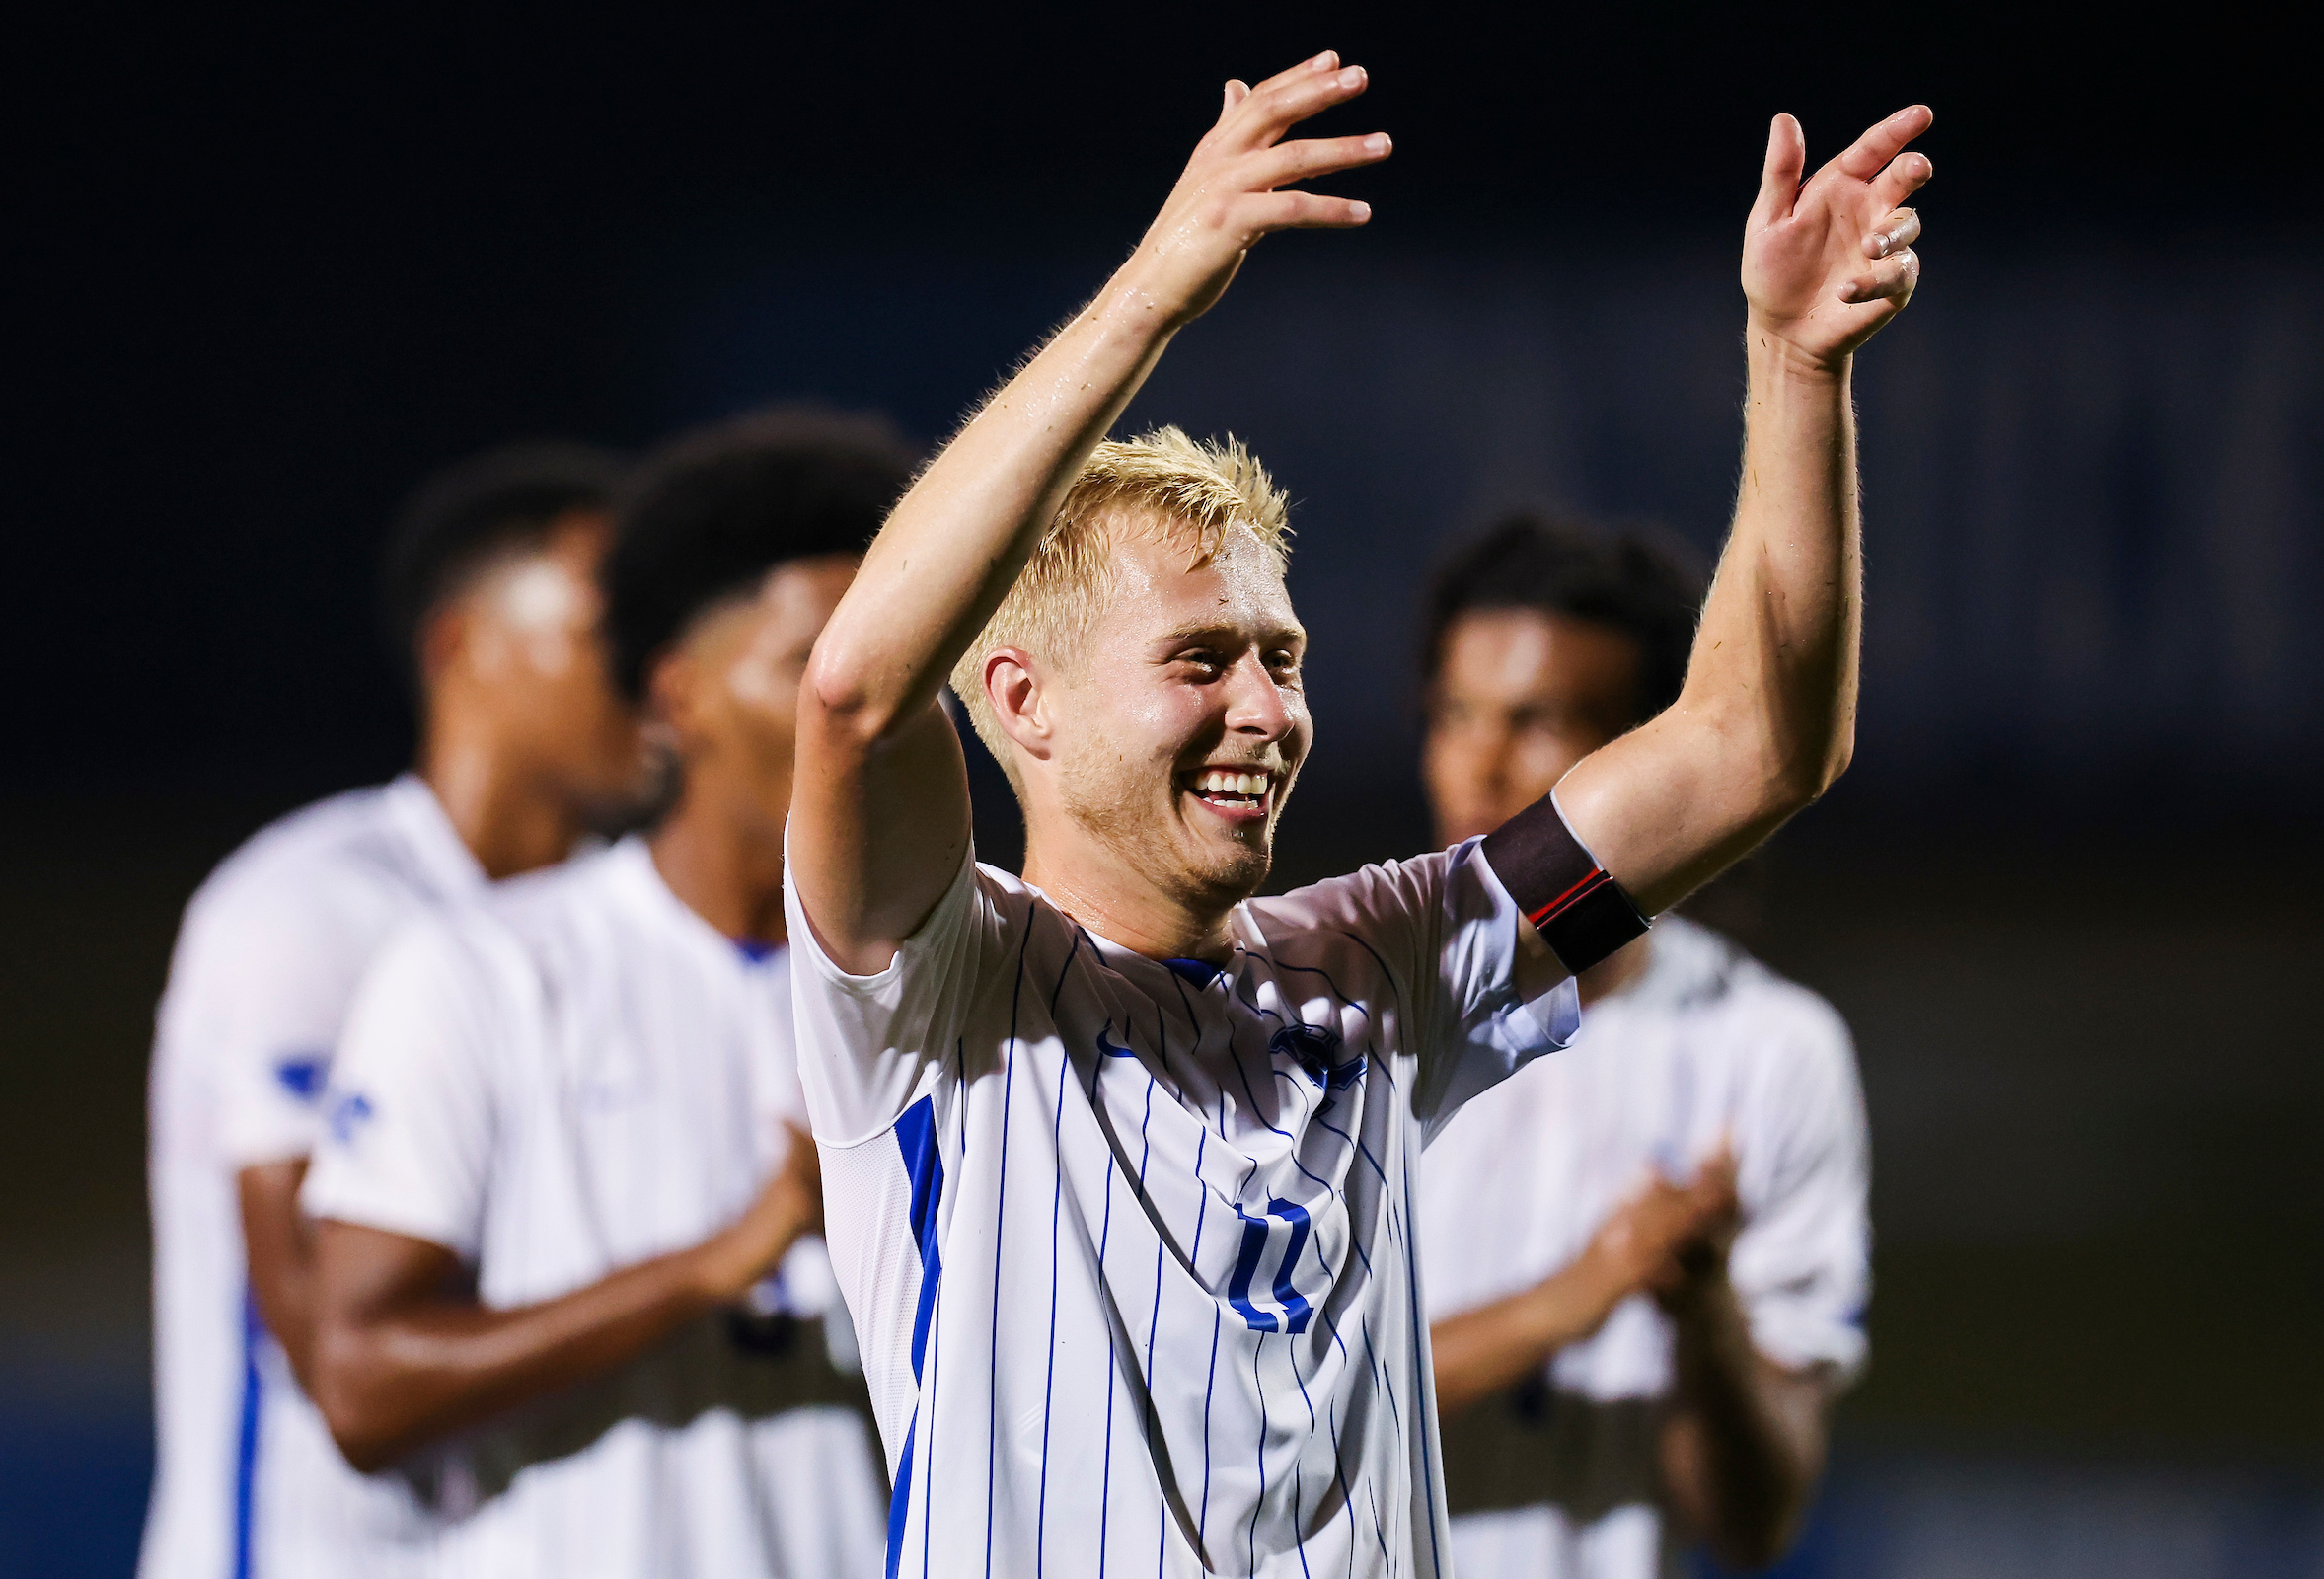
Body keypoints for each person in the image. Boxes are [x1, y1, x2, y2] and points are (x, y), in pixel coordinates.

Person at [784, 48, 1927, 1579]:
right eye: (1201, 662)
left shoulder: (1382, 966)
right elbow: (856, 692)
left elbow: (1755, 750)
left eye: (1285, 660)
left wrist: (1795, 368)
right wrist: (1153, 297)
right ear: (1023, 701)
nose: (1267, 713)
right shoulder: (932, 991)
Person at [299, 408, 909, 1578]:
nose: (861, 714)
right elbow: (363, 1384)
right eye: (808, 668)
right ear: (676, 697)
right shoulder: (487, 972)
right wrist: (717, 1261)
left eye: (895, 669)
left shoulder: (943, 992)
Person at [141, 443, 650, 1579]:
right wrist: (718, 1261)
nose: (654, 674)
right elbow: (343, 1360)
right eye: (608, 630)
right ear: (462, 645)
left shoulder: (636, 931)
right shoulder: (310, 909)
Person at [1415, 517, 1869, 1577]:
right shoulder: (1343, 1008)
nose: (1479, 764)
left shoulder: (1768, 1053)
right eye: (1456, 714)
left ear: (1648, 753)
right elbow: (1254, 1398)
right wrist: (1572, 1297)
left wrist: (1703, 1317)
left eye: (1537, 721)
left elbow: (1752, 1524)